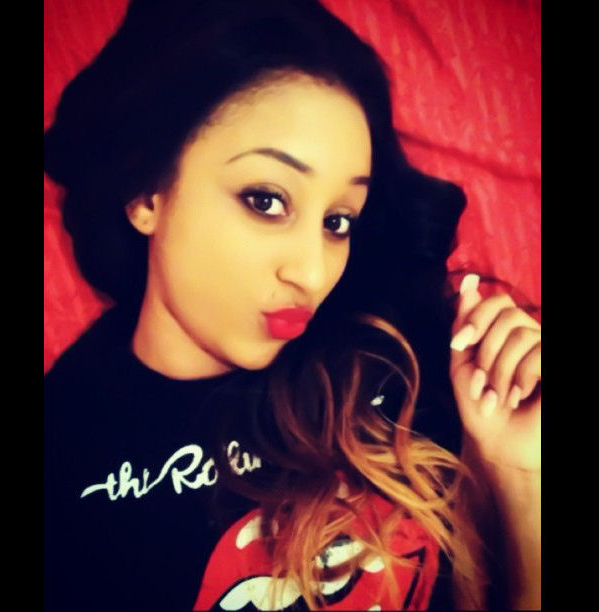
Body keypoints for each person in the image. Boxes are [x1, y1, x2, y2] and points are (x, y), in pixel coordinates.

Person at [44, 0, 541, 610]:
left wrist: (521, 479)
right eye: (266, 200)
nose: (311, 273)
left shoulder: (395, 363)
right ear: (147, 193)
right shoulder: (64, 446)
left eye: (338, 221)